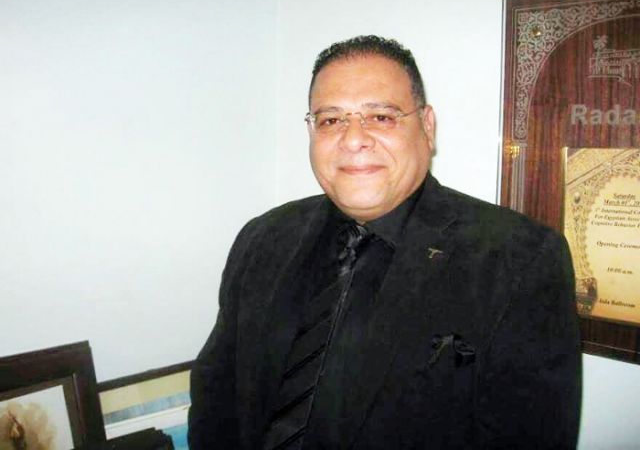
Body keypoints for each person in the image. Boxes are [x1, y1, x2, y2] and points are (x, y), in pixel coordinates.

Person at [188, 35, 582, 449]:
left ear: (427, 127)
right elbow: (216, 395)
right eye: (331, 120)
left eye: (380, 117)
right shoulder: (262, 238)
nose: (353, 139)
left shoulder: (518, 260)